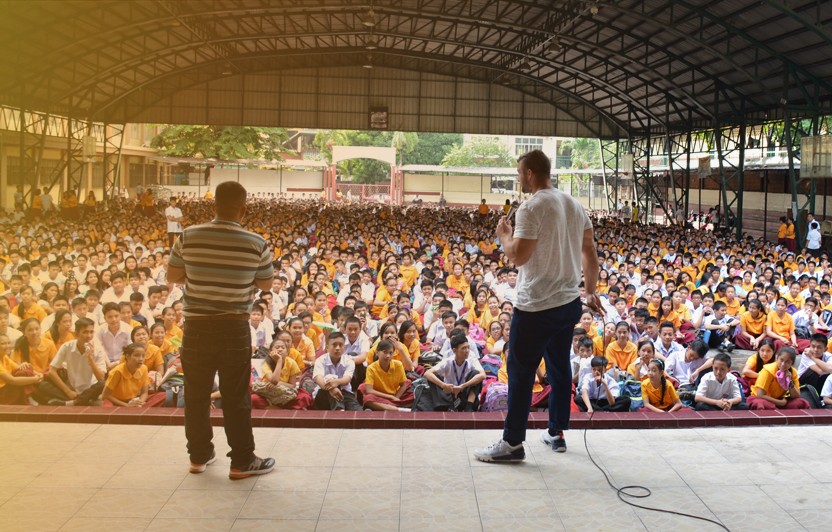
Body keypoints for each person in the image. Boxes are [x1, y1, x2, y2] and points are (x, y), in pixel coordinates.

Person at [474, 149, 600, 463]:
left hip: (535, 307)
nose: (519, 179)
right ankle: (556, 431)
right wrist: (592, 290)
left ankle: (512, 443)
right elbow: (589, 251)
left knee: (520, 372)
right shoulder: (573, 204)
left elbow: (517, 256)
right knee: (558, 367)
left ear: (530, 173)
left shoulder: (531, 207)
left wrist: (504, 236)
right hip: (568, 302)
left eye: (519, 174)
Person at [167, 180, 275, 479]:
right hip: (233, 327)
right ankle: (242, 460)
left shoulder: (188, 236)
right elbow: (265, 284)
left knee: (197, 393)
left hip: (197, 326)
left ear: (213, 204)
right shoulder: (256, 243)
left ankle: (199, 457)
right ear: (243, 208)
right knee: (236, 395)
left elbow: (173, 275)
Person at [423, 333, 486, 412]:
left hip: (464, 393)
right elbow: (427, 373)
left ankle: (469, 407)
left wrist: (463, 386)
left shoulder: (472, 359)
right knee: (433, 376)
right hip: (449, 393)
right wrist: (443, 385)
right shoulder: (448, 361)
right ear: (454, 350)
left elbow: (483, 375)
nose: (467, 351)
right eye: (463, 348)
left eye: (468, 348)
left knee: (476, 374)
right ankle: (444, 405)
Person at [746, 346, 810, 410]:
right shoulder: (768, 370)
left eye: (788, 362)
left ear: (792, 364)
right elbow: (760, 395)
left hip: (780, 399)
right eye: (781, 360)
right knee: (761, 404)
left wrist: (789, 381)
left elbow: (796, 396)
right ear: (777, 359)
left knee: (801, 402)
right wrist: (780, 403)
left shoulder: (793, 372)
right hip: (761, 399)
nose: (783, 364)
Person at [312, 332, 361, 411]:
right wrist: (332, 388)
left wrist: (336, 383)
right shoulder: (320, 360)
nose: (337, 348)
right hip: (323, 393)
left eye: (341, 345)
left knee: (356, 409)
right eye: (334, 345)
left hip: (345, 393)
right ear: (327, 347)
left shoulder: (349, 361)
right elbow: (319, 380)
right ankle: (340, 412)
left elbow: (347, 379)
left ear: (344, 347)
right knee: (332, 392)